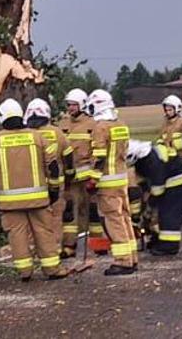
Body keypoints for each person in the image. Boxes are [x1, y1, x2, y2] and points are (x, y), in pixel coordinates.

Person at [0, 99, 69, 281]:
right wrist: (53, 190)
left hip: (9, 202)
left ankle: (25, 272)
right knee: (44, 232)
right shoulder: (38, 137)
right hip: (39, 200)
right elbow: (53, 166)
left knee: (17, 236)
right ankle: (52, 269)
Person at [87, 89, 139, 275]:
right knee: (125, 217)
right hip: (121, 179)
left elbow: (99, 157)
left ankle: (123, 261)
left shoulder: (100, 128)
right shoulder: (120, 125)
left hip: (107, 182)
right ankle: (132, 257)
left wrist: (93, 178)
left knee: (113, 220)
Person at [59, 89, 98, 256]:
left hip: (89, 177)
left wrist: (95, 175)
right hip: (71, 178)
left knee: (92, 211)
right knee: (69, 212)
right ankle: (69, 246)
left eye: (74, 105)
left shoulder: (93, 125)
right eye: (68, 105)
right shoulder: (63, 125)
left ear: (82, 105)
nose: (70, 108)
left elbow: (98, 151)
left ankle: (99, 244)